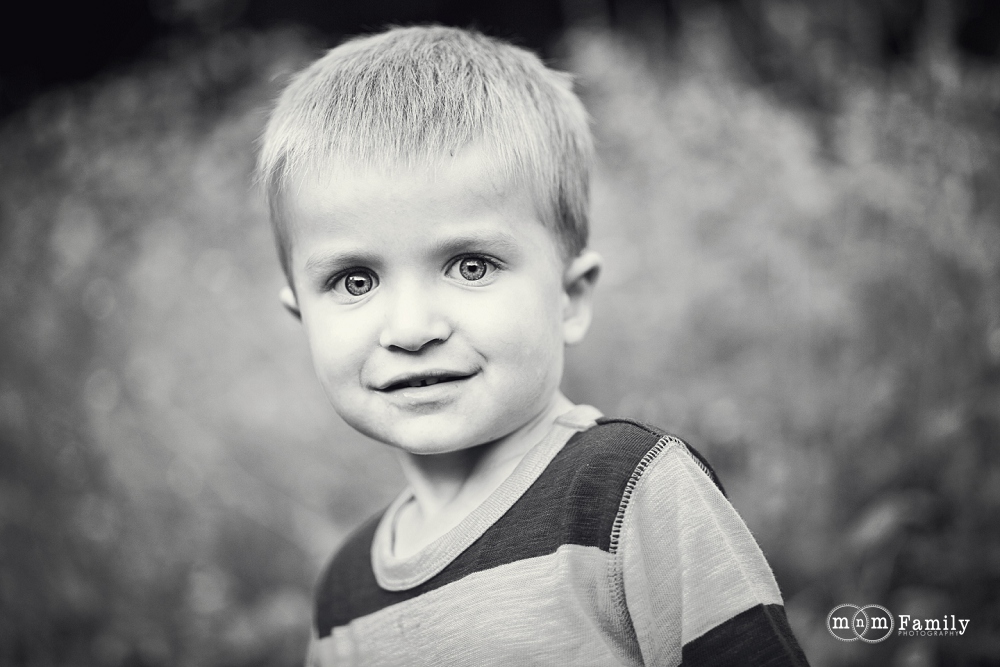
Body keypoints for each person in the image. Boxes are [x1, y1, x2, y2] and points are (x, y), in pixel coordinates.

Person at [257, 25, 809, 666]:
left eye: (470, 265)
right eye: (355, 281)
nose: (410, 330)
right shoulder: (344, 595)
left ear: (569, 298)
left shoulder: (623, 492)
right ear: (302, 318)